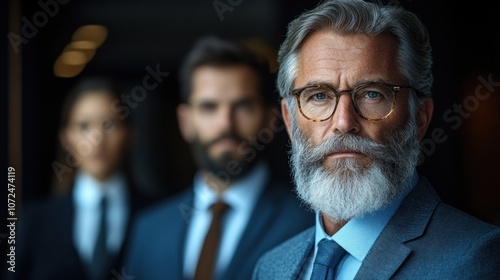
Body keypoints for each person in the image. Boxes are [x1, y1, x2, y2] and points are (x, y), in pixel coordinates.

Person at [252, 0, 500, 279]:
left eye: (372, 94)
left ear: (420, 118)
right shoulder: (271, 267)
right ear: (289, 119)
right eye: (318, 96)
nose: (344, 123)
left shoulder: (477, 259)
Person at [124, 36, 314, 280]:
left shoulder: (308, 223)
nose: (225, 124)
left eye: (243, 106)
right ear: (185, 121)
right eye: (209, 107)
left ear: (271, 119)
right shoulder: (148, 229)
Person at [9, 77, 151, 280]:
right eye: (84, 126)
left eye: (109, 125)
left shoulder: (157, 216)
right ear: (66, 138)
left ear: (128, 134)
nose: (97, 138)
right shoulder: (33, 222)